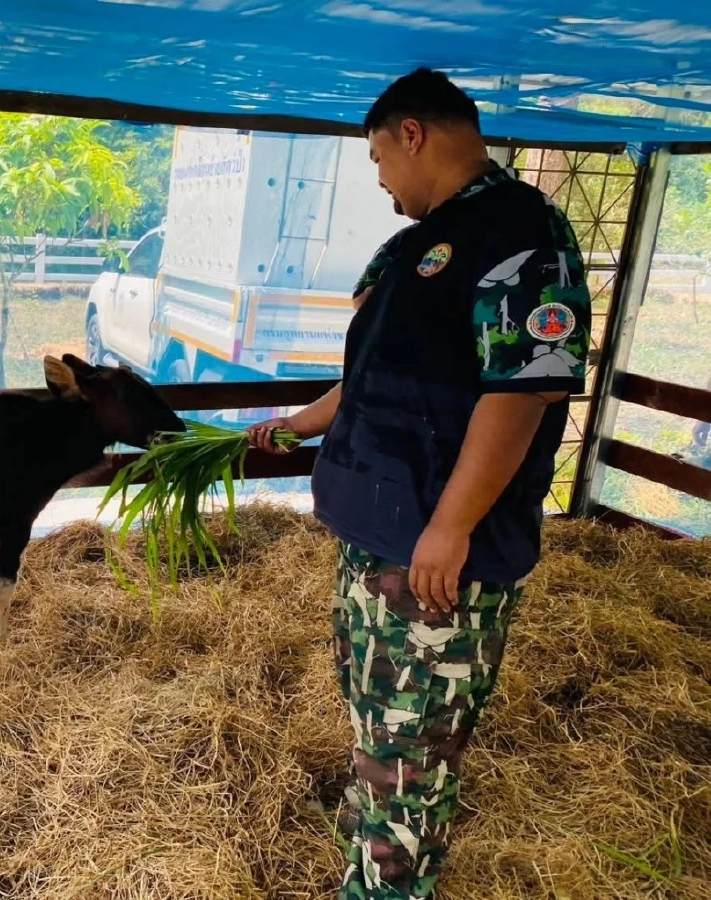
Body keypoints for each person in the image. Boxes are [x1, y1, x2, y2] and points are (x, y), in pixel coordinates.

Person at [247, 68, 591, 900]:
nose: (378, 179)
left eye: (376, 159)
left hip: (439, 556)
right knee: (379, 726)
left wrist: (451, 525)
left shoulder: (522, 233)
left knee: (411, 753)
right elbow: (367, 377)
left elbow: (522, 391)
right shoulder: (410, 247)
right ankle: (368, 858)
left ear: (412, 133)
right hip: (375, 541)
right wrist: (299, 423)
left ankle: (387, 889)